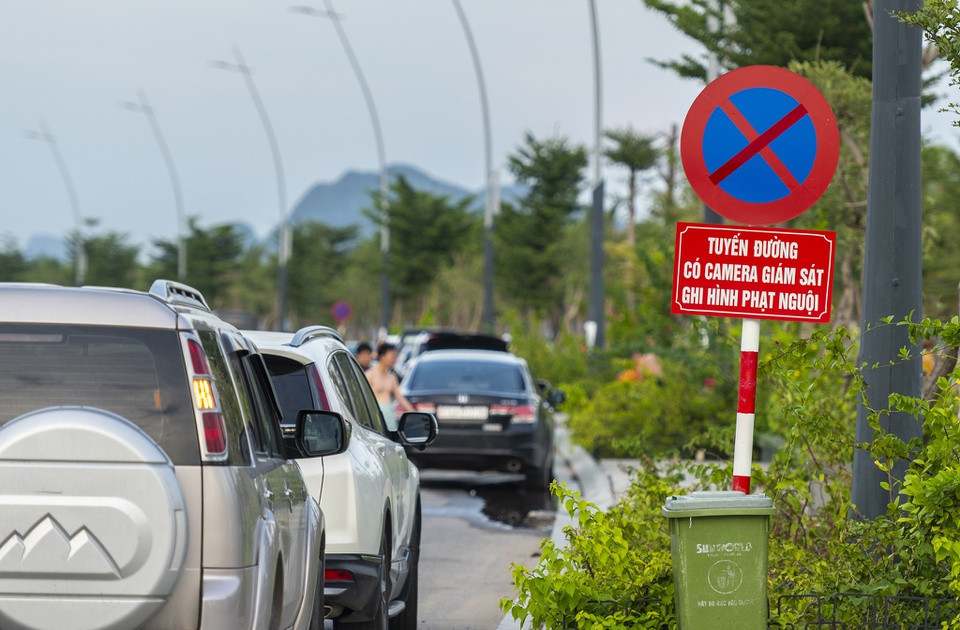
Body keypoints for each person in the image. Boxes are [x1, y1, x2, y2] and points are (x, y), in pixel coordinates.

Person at [365, 342, 413, 431]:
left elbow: (400, 398)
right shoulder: (370, 375)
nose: (394, 359)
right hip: (375, 418)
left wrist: (413, 413)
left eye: (395, 357)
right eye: (392, 356)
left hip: (390, 416)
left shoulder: (392, 377)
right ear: (382, 357)